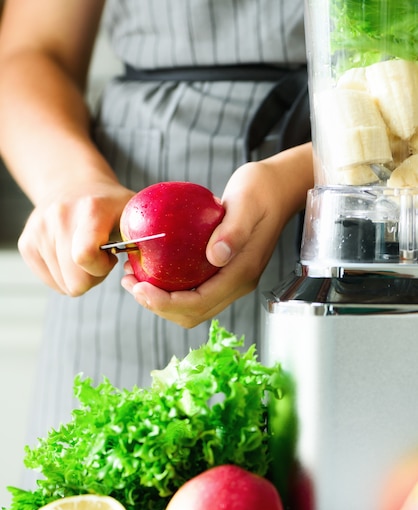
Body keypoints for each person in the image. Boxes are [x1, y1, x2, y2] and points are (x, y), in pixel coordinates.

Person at [0, 0, 313, 442]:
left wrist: (306, 172)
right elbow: (32, 51)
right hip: (117, 239)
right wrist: (68, 181)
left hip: (361, 214)